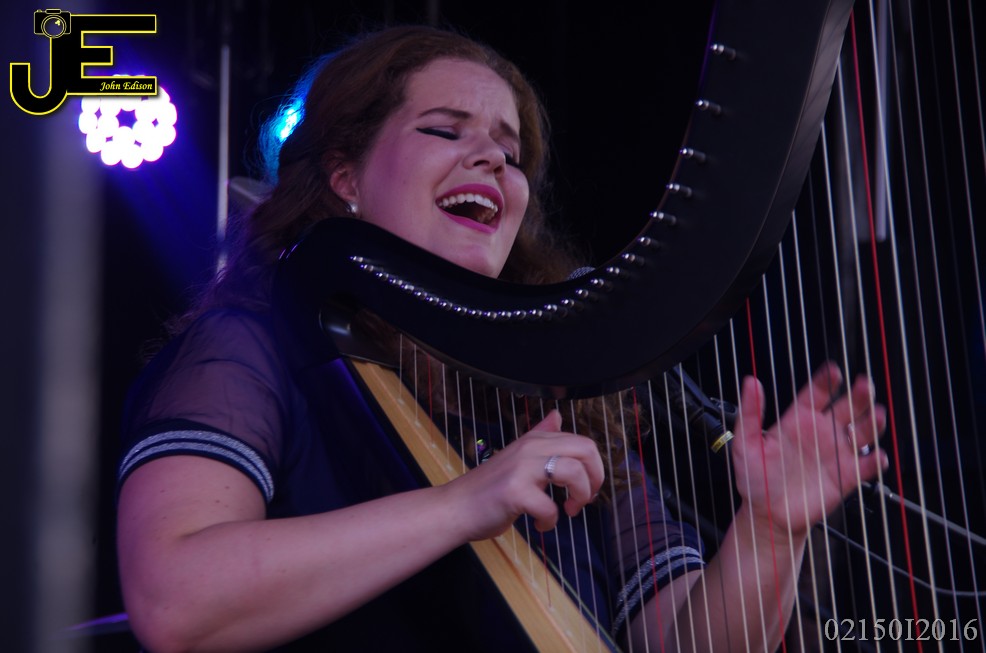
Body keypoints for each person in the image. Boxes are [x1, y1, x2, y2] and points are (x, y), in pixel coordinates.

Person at [115, 25, 889, 652]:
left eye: (510, 153)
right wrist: (466, 502)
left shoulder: (560, 401)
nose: (491, 158)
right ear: (346, 176)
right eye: (444, 129)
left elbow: (683, 640)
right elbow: (175, 604)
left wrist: (770, 532)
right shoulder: (248, 349)